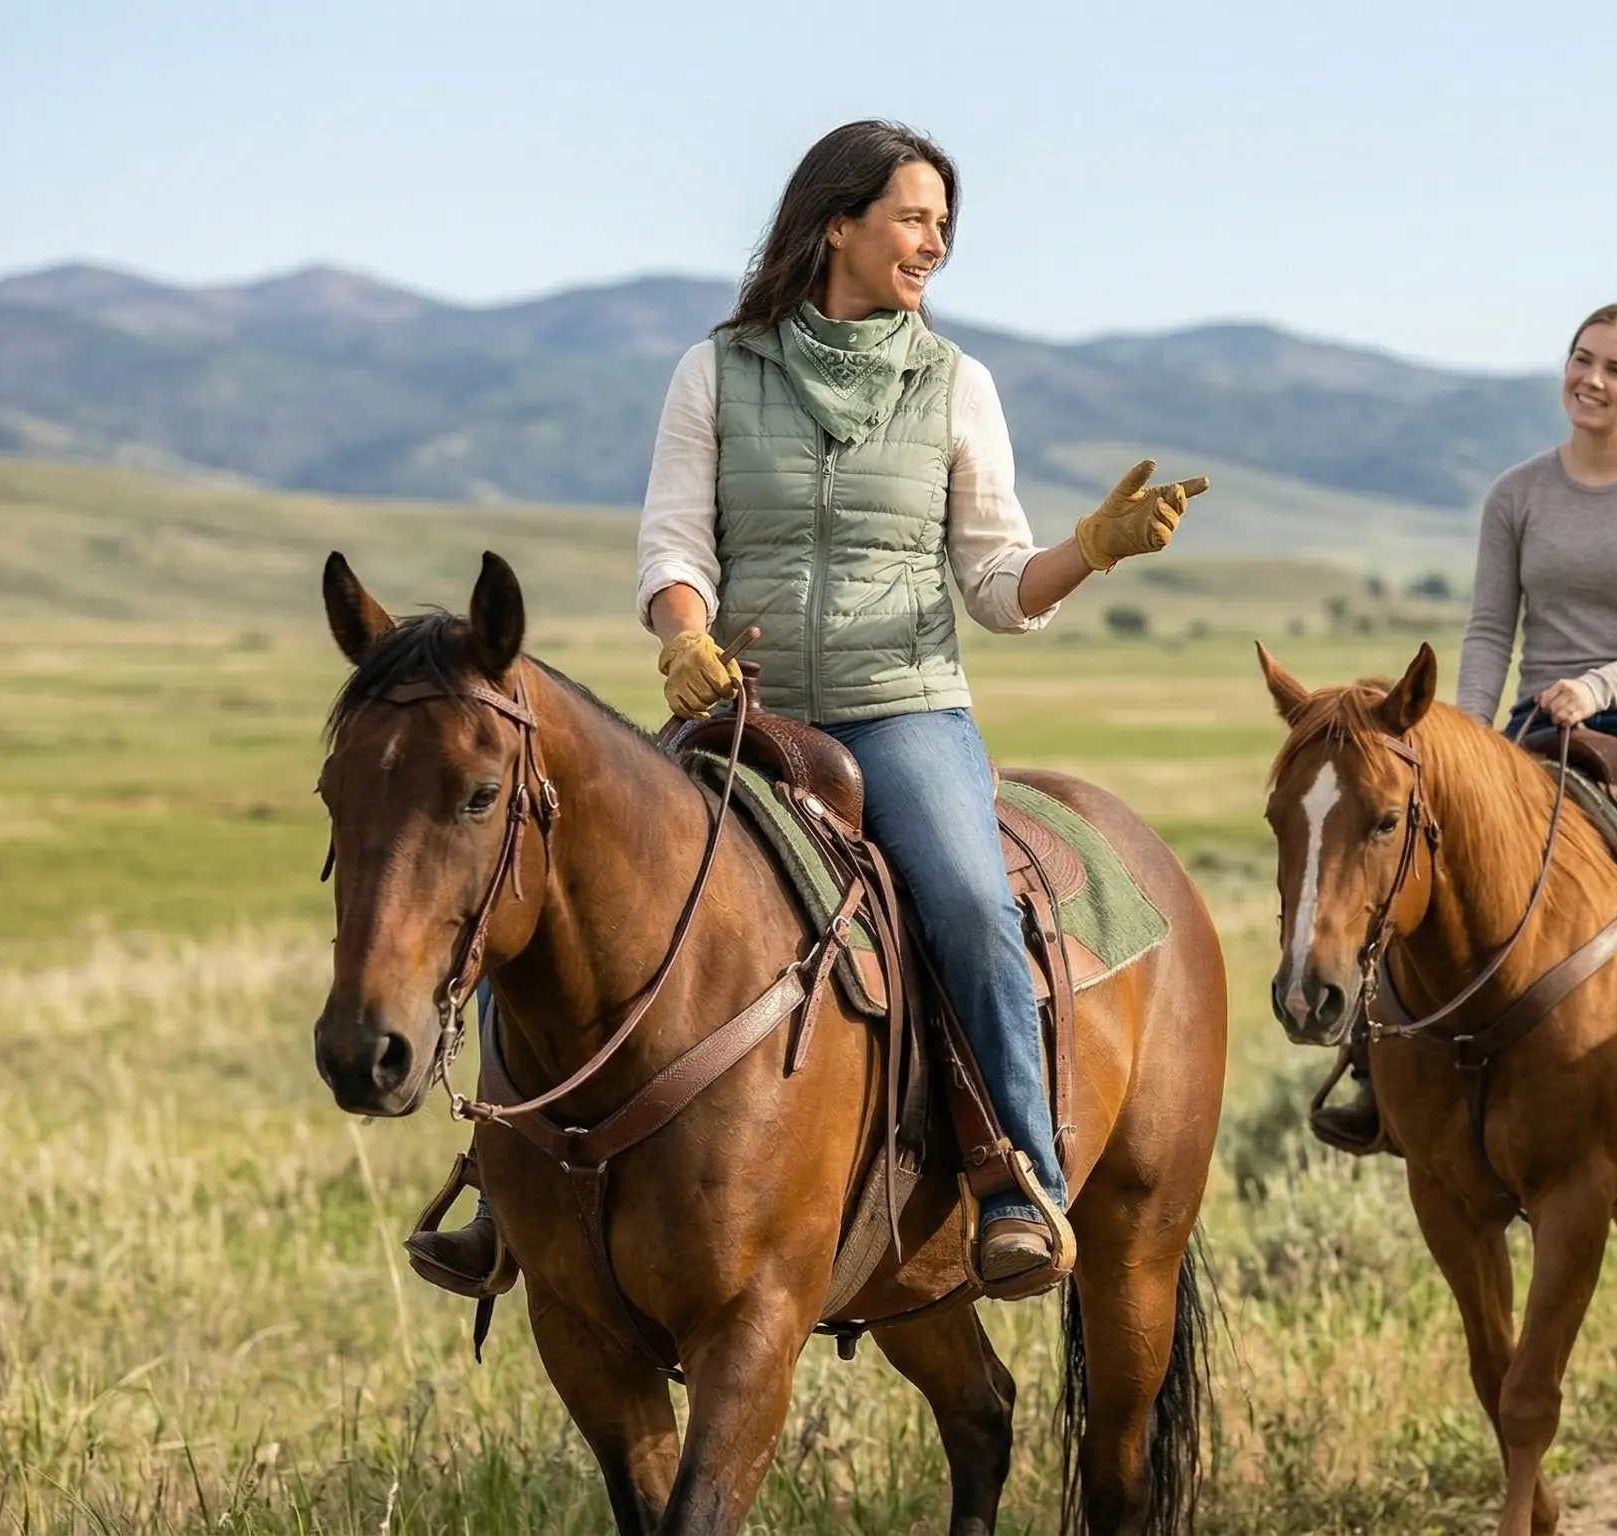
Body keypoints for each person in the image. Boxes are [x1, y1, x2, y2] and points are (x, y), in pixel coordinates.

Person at [409, 120, 1208, 1298]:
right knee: (536, 871)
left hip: (903, 709)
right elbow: (674, 542)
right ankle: (507, 1171)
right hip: (742, 709)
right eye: (913, 217)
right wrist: (682, 635)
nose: (934, 242)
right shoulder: (718, 371)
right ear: (837, 222)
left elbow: (993, 583)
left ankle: (1014, 1178)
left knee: (971, 903)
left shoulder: (956, 385)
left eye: (945, 224)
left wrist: (1084, 551)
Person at [1309, 301, 1617, 1154]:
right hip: (1533, 725)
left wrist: (1598, 690)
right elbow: (1491, 629)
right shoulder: (1518, 493)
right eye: (1582, 359)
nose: (1592, 380)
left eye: (1616, 369)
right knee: (1420, 870)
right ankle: (1371, 1067)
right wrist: (1463, 738)